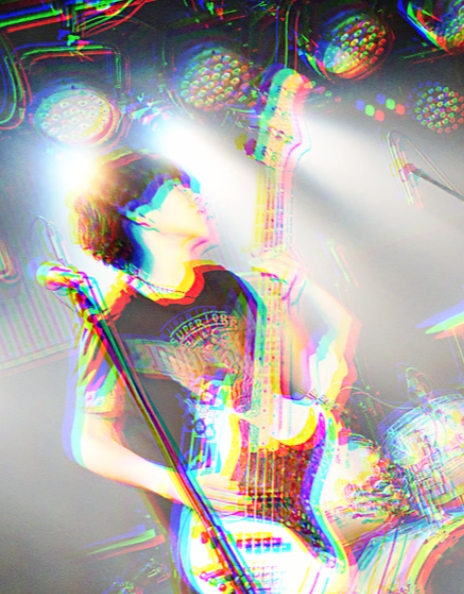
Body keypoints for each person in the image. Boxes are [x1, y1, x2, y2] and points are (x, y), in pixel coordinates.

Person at [65, 149, 359, 592]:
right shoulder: (113, 321)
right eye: (180, 190)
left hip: (295, 510)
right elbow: (90, 442)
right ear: (142, 214)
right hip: (225, 537)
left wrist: (296, 292)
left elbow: (296, 385)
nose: (199, 198)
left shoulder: (227, 285)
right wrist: (182, 487)